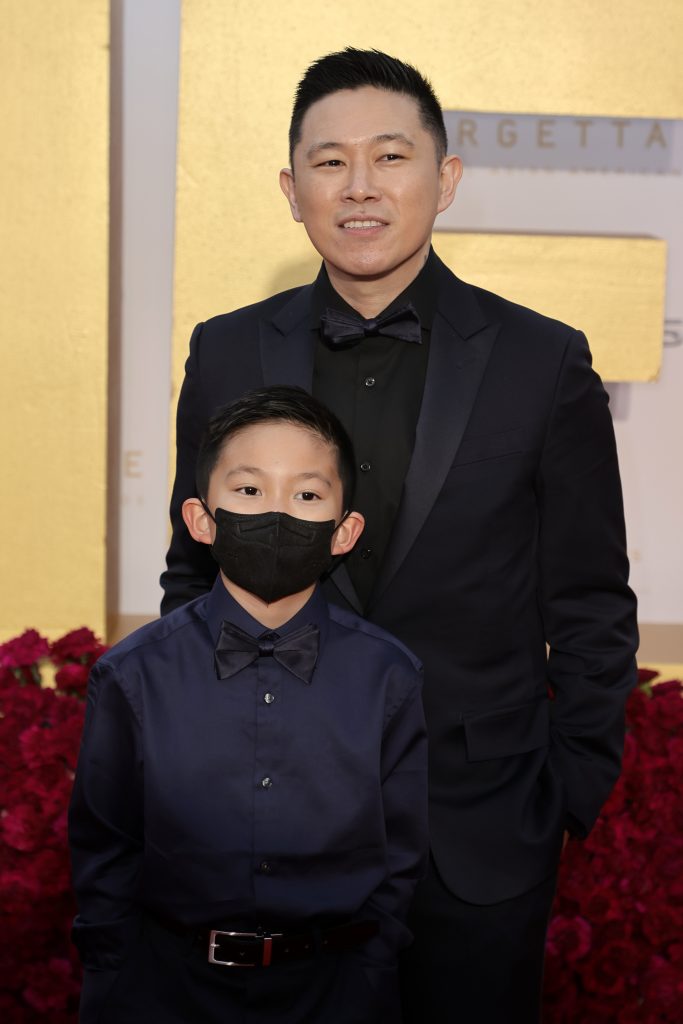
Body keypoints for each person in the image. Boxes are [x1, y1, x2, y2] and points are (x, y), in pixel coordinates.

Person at [160, 48, 639, 1022]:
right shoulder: (227, 350)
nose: (360, 186)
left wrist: (563, 792)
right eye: (329, 162)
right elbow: (192, 576)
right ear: (291, 190)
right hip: (267, 823)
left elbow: (590, 601)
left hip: (481, 836)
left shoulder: (541, 361)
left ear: (444, 178)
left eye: (389, 156)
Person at [69, 386, 428, 1024]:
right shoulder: (132, 675)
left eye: (308, 495)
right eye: (249, 490)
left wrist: (371, 969)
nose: (278, 512)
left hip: (339, 992)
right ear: (201, 520)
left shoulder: (389, 675)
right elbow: (106, 847)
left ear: (345, 531)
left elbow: (401, 853)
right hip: (165, 991)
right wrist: (114, 980)